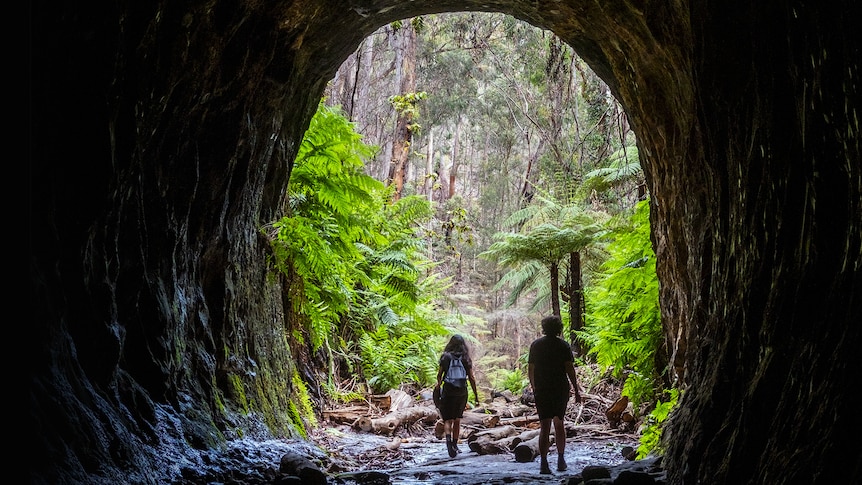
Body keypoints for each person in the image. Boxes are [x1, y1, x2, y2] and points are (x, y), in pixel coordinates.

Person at [528, 315, 583, 474]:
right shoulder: (563, 346)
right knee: (559, 424)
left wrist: (534, 387)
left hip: (543, 389)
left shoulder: (536, 345)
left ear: (544, 327)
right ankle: (560, 460)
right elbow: (569, 369)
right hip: (560, 389)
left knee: (544, 427)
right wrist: (577, 390)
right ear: (559, 328)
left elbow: (531, 369)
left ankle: (544, 463)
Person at [435, 334, 479, 458]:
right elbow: (471, 378)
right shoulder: (465, 358)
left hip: (448, 390)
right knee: (457, 419)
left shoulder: (445, 357)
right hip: (461, 391)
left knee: (448, 419)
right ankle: (455, 444)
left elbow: (439, 375)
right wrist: (476, 396)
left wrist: (438, 385)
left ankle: (448, 442)